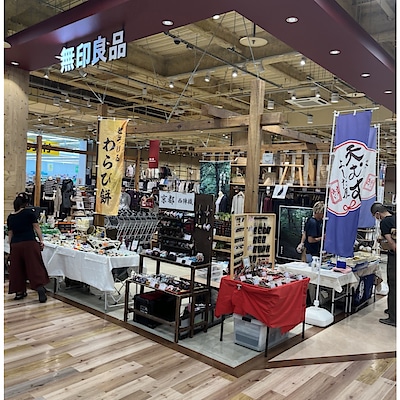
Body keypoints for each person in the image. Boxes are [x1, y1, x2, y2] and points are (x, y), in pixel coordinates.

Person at [7, 192, 49, 302]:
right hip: (29, 243)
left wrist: (11, 246)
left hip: (16, 244)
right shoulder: (29, 213)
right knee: (34, 267)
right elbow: (37, 228)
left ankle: (19, 292)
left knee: (17, 269)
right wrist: (41, 240)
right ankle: (40, 288)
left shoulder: (11, 217)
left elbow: (10, 234)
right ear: (26, 203)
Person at [371, 202, 396, 327]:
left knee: (394, 284)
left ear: (377, 214)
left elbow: (391, 242)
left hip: (395, 257)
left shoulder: (384, 222)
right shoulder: (395, 217)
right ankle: (392, 309)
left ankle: (393, 317)